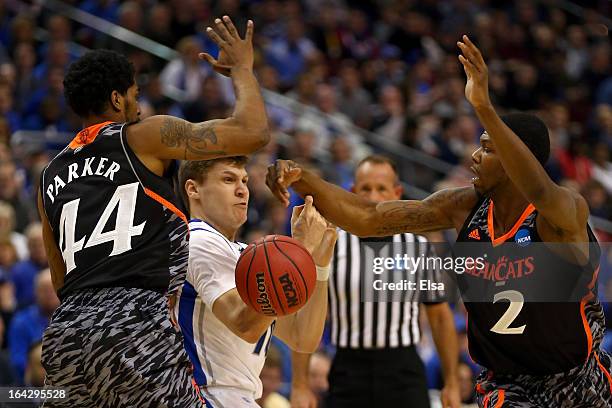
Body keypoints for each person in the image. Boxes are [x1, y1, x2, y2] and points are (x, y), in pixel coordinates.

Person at [266, 35, 612, 407]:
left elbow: (541, 192)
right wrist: (302, 175)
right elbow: (367, 218)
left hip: (576, 380)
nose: (474, 156)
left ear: (517, 159)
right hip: (507, 383)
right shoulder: (464, 208)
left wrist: (484, 107)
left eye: (488, 148)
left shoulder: (563, 214)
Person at [38, 16, 270, 407]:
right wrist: (242, 70)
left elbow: (61, 279)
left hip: (68, 335)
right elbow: (253, 132)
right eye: (135, 95)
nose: (139, 105)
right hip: (135, 321)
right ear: (117, 99)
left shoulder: (50, 173)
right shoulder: (143, 136)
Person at [291, 155, 460, 408]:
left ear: (397, 192)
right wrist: (300, 385)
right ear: (352, 193)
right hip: (348, 370)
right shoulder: (330, 244)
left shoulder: (419, 247)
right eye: (365, 189)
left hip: (403, 371)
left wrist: (452, 382)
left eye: (382, 188)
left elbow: (439, 317)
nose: (373, 196)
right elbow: (307, 317)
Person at [174, 157, 337, 407]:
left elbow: (302, 337)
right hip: (205, 395)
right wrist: (301, 249)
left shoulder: (244, 256)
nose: (242, 190)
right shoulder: (198, 240)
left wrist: (319, 263)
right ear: (193, 189)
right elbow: (245, 324)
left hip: (238, 397)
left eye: (245, 181)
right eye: (228, 179)